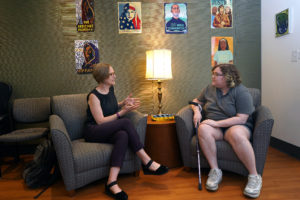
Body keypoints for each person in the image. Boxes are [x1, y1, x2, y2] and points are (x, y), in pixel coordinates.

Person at [84, 63, 168, 200]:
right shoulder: (93, 96)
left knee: (122, 135)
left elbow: (109, 107)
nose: (114, 76)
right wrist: (123, 112)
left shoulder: (110, 89)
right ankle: (146, 161)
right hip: (93, 131)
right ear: (102, 77)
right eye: (111, 74)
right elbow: (100, 121)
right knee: (125, 121)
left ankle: (111, 183)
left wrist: (123, 103)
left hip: (106, 129)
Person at [190, 64, 262, 198]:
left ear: (228, 77)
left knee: (236, 134)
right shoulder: (209, 88)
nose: (213, 77)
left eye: (216, 74)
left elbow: (241, 118)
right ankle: (215, 170)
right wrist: (196, 112)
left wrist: (216, 123)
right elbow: (196, 101)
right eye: (213, 73)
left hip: (236, 125)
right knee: (203, 128)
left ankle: (254, 176)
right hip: (215, 127)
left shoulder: (241, 92)